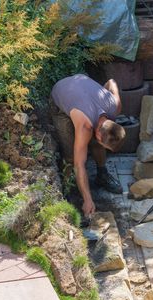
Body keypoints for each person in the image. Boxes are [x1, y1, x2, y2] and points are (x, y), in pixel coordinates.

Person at [51, 74, 126, 217]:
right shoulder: (85, 127)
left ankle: (102, 175)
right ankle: (66, 188)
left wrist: (98, 98)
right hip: (61, 97)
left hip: (81, 90)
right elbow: (80, 165)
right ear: (97, 133)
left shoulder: (114, 106)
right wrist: (88, 200)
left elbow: (111, 82)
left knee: (97, 145)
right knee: (72, 156)